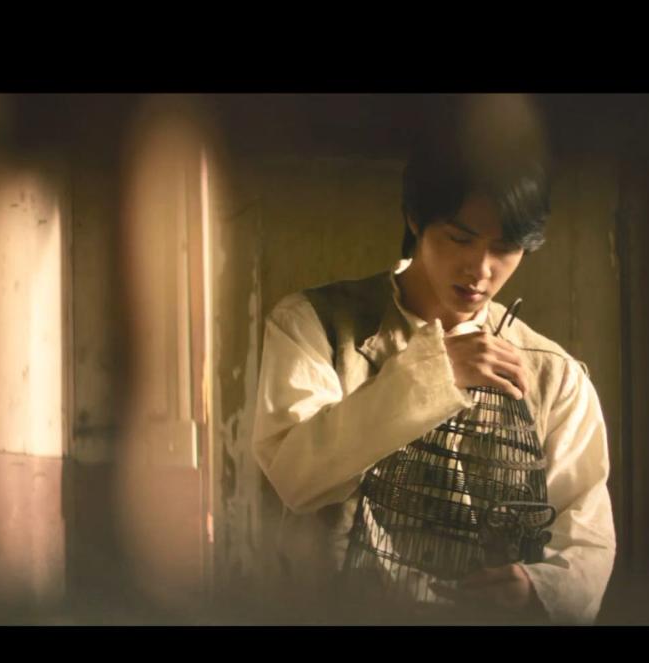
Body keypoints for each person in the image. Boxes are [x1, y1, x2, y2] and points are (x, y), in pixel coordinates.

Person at [251, 106, 615, 624]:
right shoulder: (314, 324)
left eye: (505, 248)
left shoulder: (552, 374)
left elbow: (586, 532)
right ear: (415, 219)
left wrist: (539, 588)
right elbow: (295, 477)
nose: (481, 269)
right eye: (460, 239)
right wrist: (432, 373)